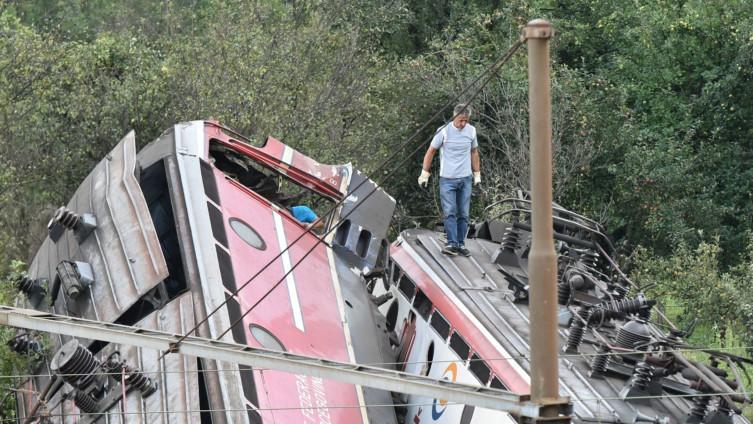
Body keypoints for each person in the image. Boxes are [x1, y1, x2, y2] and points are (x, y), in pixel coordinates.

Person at [418, 103, 481, 256]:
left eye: (466, 120)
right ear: (454, 117)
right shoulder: (443, 131)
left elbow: (474, 153)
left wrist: (477, 175)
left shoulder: (471, 131)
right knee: (450, 212)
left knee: (464, 214)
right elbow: (431, 151)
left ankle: (460, 243)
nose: (463, 124)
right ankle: (451, 243)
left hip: (465, 179)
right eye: (461, 120)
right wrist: (424, 173)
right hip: (447, 179)